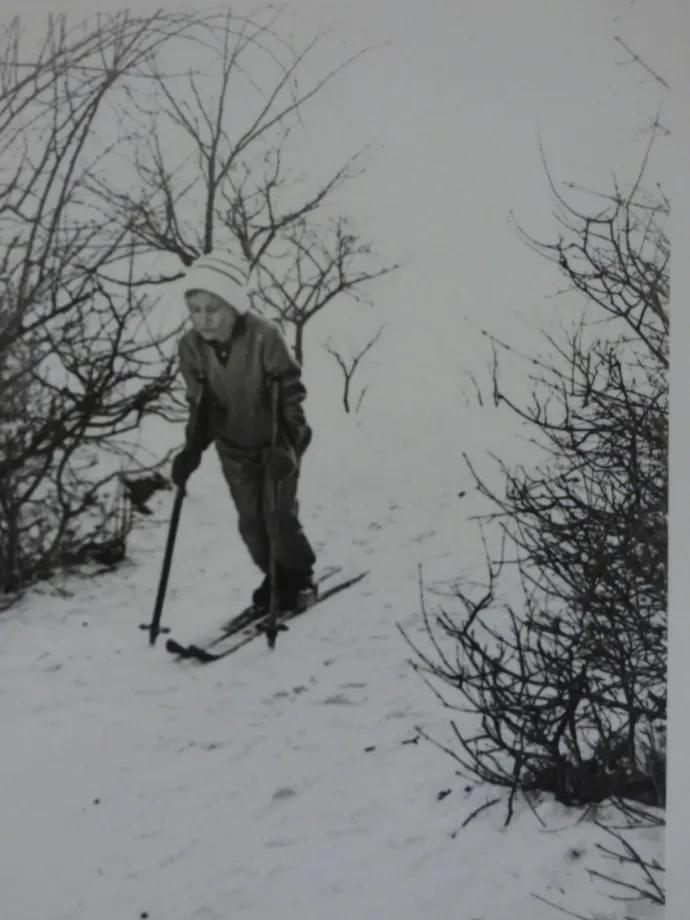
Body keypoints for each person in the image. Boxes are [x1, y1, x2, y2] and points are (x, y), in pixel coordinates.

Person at [170, 250, 317, 613]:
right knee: (251, 524)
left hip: (277, 441)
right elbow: (201, 405)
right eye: (195, 310)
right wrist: (192, 449)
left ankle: (299, 574)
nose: (203, 319)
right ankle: (274, 574)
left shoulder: (264, 336)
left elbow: (291, 392)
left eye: (212, 309)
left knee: (277, 516)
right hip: (234, 447)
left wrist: (287, 444)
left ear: (234, 306)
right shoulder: (190, 347)